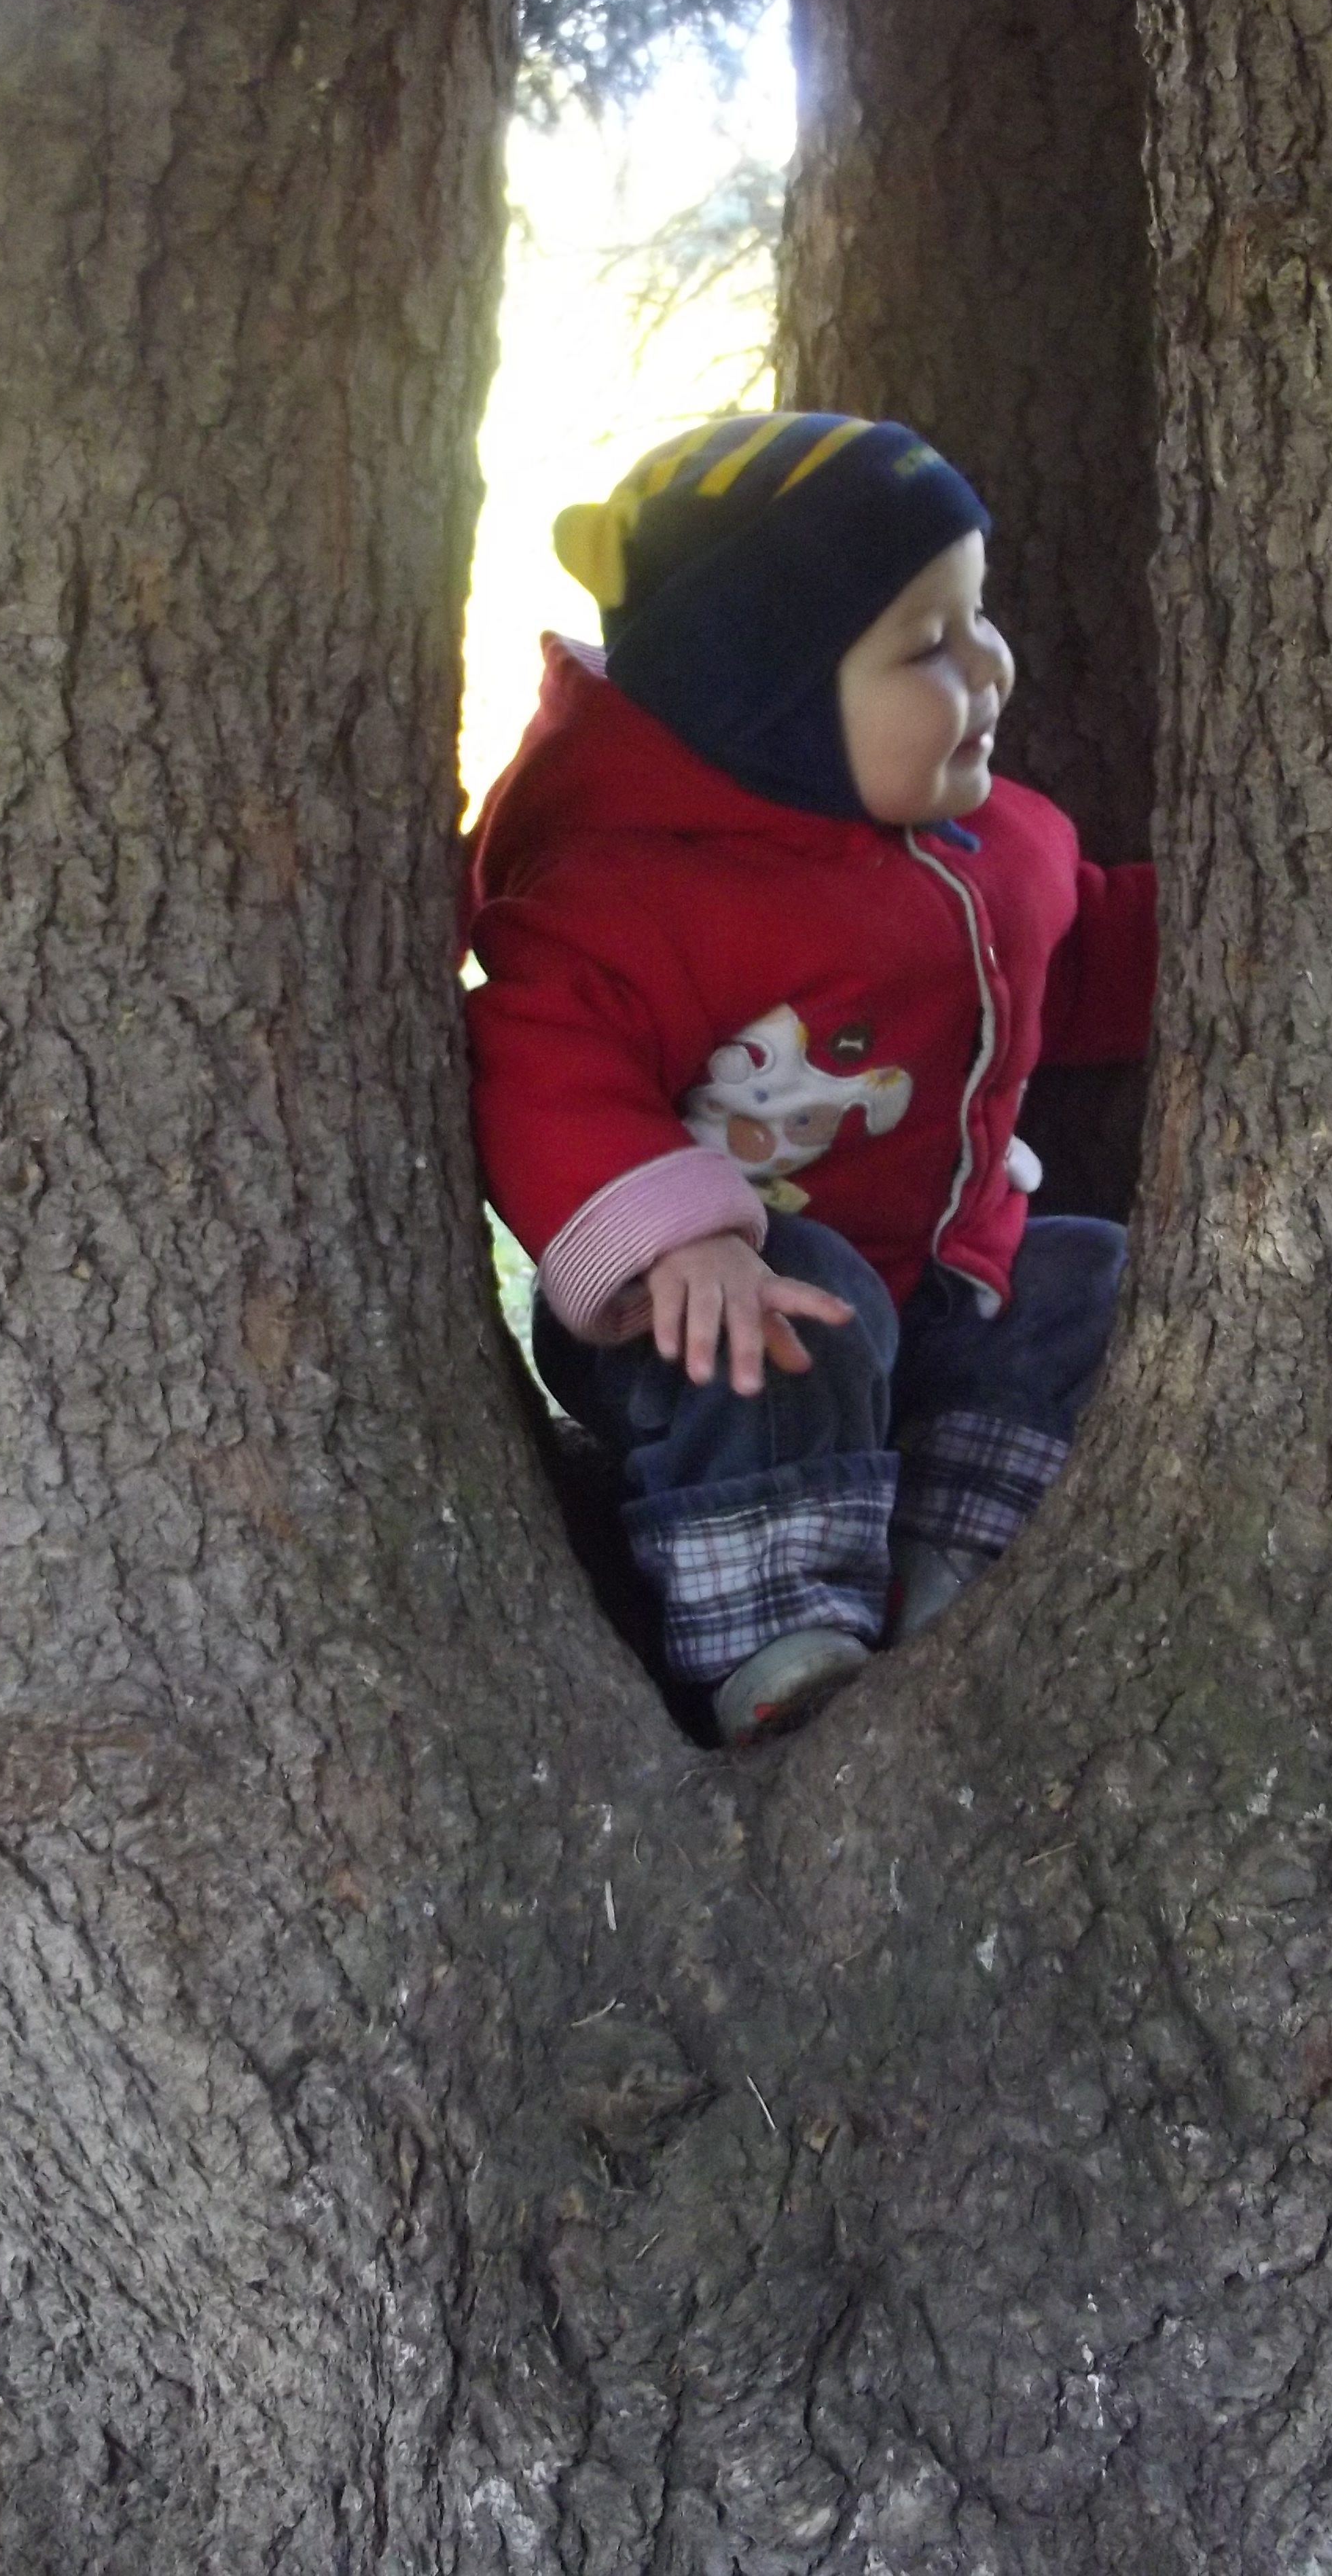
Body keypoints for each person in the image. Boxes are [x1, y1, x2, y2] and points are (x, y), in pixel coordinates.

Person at [463, 412, 1157, 1743]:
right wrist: (680, 1240)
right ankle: (778, 1633)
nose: (991, 666)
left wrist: (1228, 939)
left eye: (977, 617)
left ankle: (942, 1560)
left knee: (1089, 1276)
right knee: (800, 1318)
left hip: (945, 1284)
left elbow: (1053, 976)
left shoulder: (989, 844)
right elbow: (543, 1066)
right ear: (768, 704)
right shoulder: (639, 890)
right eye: (928, 647)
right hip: (710, 1326)